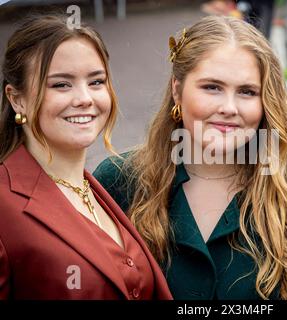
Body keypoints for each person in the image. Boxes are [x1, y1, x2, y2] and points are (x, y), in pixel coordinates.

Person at [94, 15, 287, 300]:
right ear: (177, 90)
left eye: (247, 92)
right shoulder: (117, 183)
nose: (229, 107)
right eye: (212, 87)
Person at [0, 14, 172, 300]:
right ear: (16, 98)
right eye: (61, 85)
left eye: (96, 82)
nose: (84, 98)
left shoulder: (101, 189)